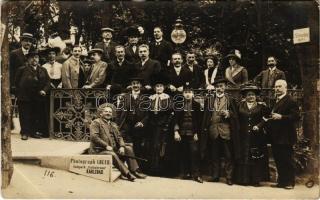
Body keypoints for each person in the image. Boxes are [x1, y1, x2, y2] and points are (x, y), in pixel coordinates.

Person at [89, 103, 147, 182]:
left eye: (110, 112)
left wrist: (122, 146)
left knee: (128, 148)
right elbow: (94, 137)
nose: (108, 113)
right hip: (99, 150)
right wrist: (106, 146)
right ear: (101, 113)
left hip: (112, 148)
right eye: (106, 111)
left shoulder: (113, 124)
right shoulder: (96, 123)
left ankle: (134, 170)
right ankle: (127, 173)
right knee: (112, 154)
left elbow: (119, 137)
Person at [200, 77, 240, 185]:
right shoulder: (209, 99)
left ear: (225, 87)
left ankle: (229, 177)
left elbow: (236, 114)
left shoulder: (230, 99)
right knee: (214, 154)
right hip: (213, 130)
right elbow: (205, 115)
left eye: (221, 86)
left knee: (228, 155)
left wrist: (229, 114)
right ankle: (215, 175)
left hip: (225, 131)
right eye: (217, 87)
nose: (219, 88)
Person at [234, 84, 270, 186]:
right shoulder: (239, 106)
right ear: (245, 96)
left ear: (256, 96)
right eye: (248, 95)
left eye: (253, 95)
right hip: (243, 136)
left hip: (256, 137)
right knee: (243, 156)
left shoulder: (261, 106)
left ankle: (255, 180)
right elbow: (235, 118)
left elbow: (267, 118)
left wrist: (259, 125)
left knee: (255, 156)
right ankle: (243, 180)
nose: (251, 97)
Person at [266, 79, 299, 189]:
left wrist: (281, 117)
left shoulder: (290, 100)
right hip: (276, 136)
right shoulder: (277, 100)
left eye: (280, 86)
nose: (277, 89)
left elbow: (296, 116)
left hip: (286, 136)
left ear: (285, 88)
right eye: (276, 87)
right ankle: (282, 182)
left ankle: (290, 182)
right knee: (279, 159)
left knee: (287, 160)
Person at [15, 50, 50, 140]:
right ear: (28, 59)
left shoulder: (43, 70)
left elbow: (48, 82)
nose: (34, 59)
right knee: (24, 115)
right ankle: (25, 133)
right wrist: (19, 93)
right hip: (25, 97)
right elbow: (16, 83)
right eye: (32, 57)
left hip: (37, 97)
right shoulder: (22, 69)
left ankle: (33, 132)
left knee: (35, 115)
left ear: (39, 59)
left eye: (36, 57)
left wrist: (44, 90)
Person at [173, 83, 203, 183]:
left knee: (194, 152)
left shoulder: (197, 105)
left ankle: (196, 174)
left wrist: (197, 133)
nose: (187, 94)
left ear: (193, 94)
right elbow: (175, 120)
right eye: (185, 92)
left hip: (193, 132)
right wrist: (176, 132)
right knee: (183, 152)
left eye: (189, 92)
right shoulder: (179, 105)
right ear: (183, 94)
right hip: (182, 132)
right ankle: (184, 173)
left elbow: (200, 121)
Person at [118, 77, 150, 171]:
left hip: (138, 125)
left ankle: (136, 167)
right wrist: (118, 123)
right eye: (133, 83)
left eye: (137, 83)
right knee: (125, 145)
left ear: (140, 86)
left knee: (137, 146)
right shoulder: (125, 97)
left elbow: (148, 113)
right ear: (131, 85)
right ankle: (123, 166)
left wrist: (142, 122)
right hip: (126, 124)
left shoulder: (145, 98)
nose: (135, 85)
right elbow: (119, 111)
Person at [148, 77, 173, 175]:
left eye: (160, 86)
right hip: (152, 124)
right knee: (152, 145)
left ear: (163, 88)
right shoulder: (151, 97)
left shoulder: (167, 97)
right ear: (154, 88)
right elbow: (148, 111)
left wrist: (166, 123)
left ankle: (160, 169)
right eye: (157, 86)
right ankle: (152, 168)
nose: (159, 88)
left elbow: (170, 111)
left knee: (160, 146)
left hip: (163, 124)